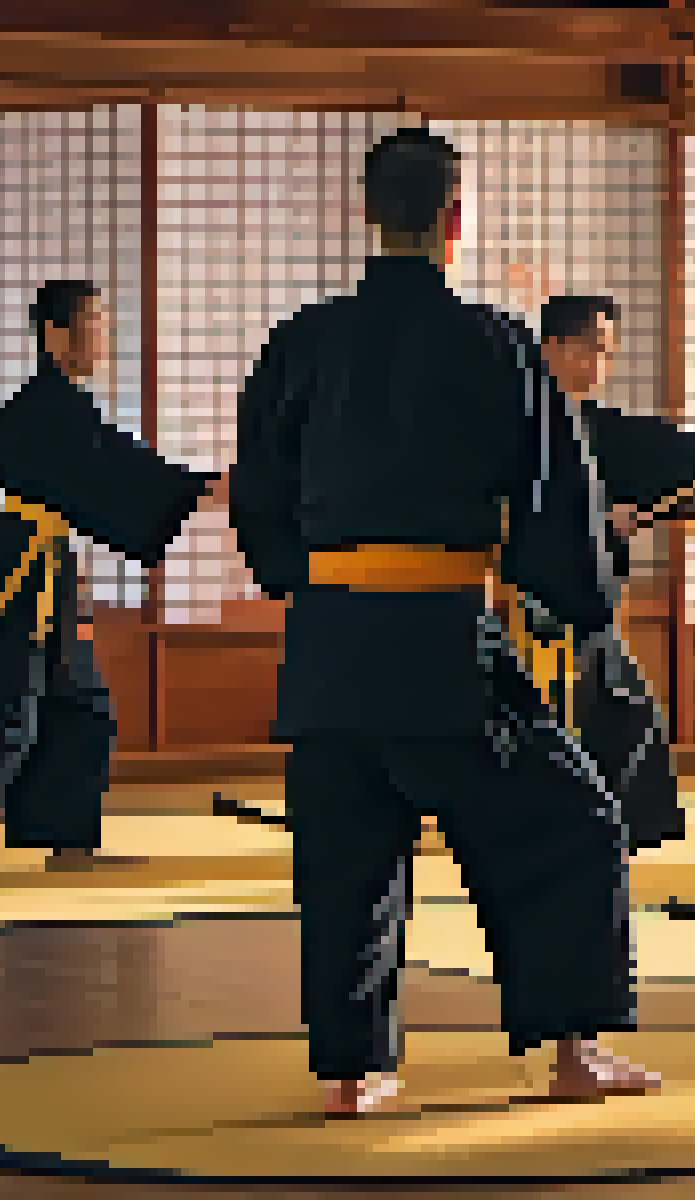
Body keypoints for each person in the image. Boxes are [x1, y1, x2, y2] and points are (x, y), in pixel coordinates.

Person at [230, 128, 658, 1117]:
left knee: (347, 857)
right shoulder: (495, 344)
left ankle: (353, 1070)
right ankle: (571, 1051)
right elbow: (558, 500)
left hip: (330, 648)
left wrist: (305, 575)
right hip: (443, 649)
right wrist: (582, 602)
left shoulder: (304, 340)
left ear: (367, 215)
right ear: (456, 221)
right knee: (573, 824)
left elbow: (260, 488)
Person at [0, 280, 223, 885]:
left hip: (47, 564)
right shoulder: (44, 408)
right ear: (55, 336)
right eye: (93, 325)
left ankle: (69, 838)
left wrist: (191, 485)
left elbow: (115, 462)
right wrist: (192, 488)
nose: (103, 338)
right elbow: (115, 469)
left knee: (81, 703)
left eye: (103, 324)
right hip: (22, 567)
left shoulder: (63, 407)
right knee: (4, 709)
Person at [534, 293, 695, 851]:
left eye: (609, 353)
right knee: (604, 714)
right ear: (553, 348)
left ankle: (605, 826)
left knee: (626, 715)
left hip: (584, 608)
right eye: (592, 350)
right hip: (531, 611)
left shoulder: (599, 428)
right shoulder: (521, 424)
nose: (602, 365)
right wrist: (598, 518)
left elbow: (684, 465)